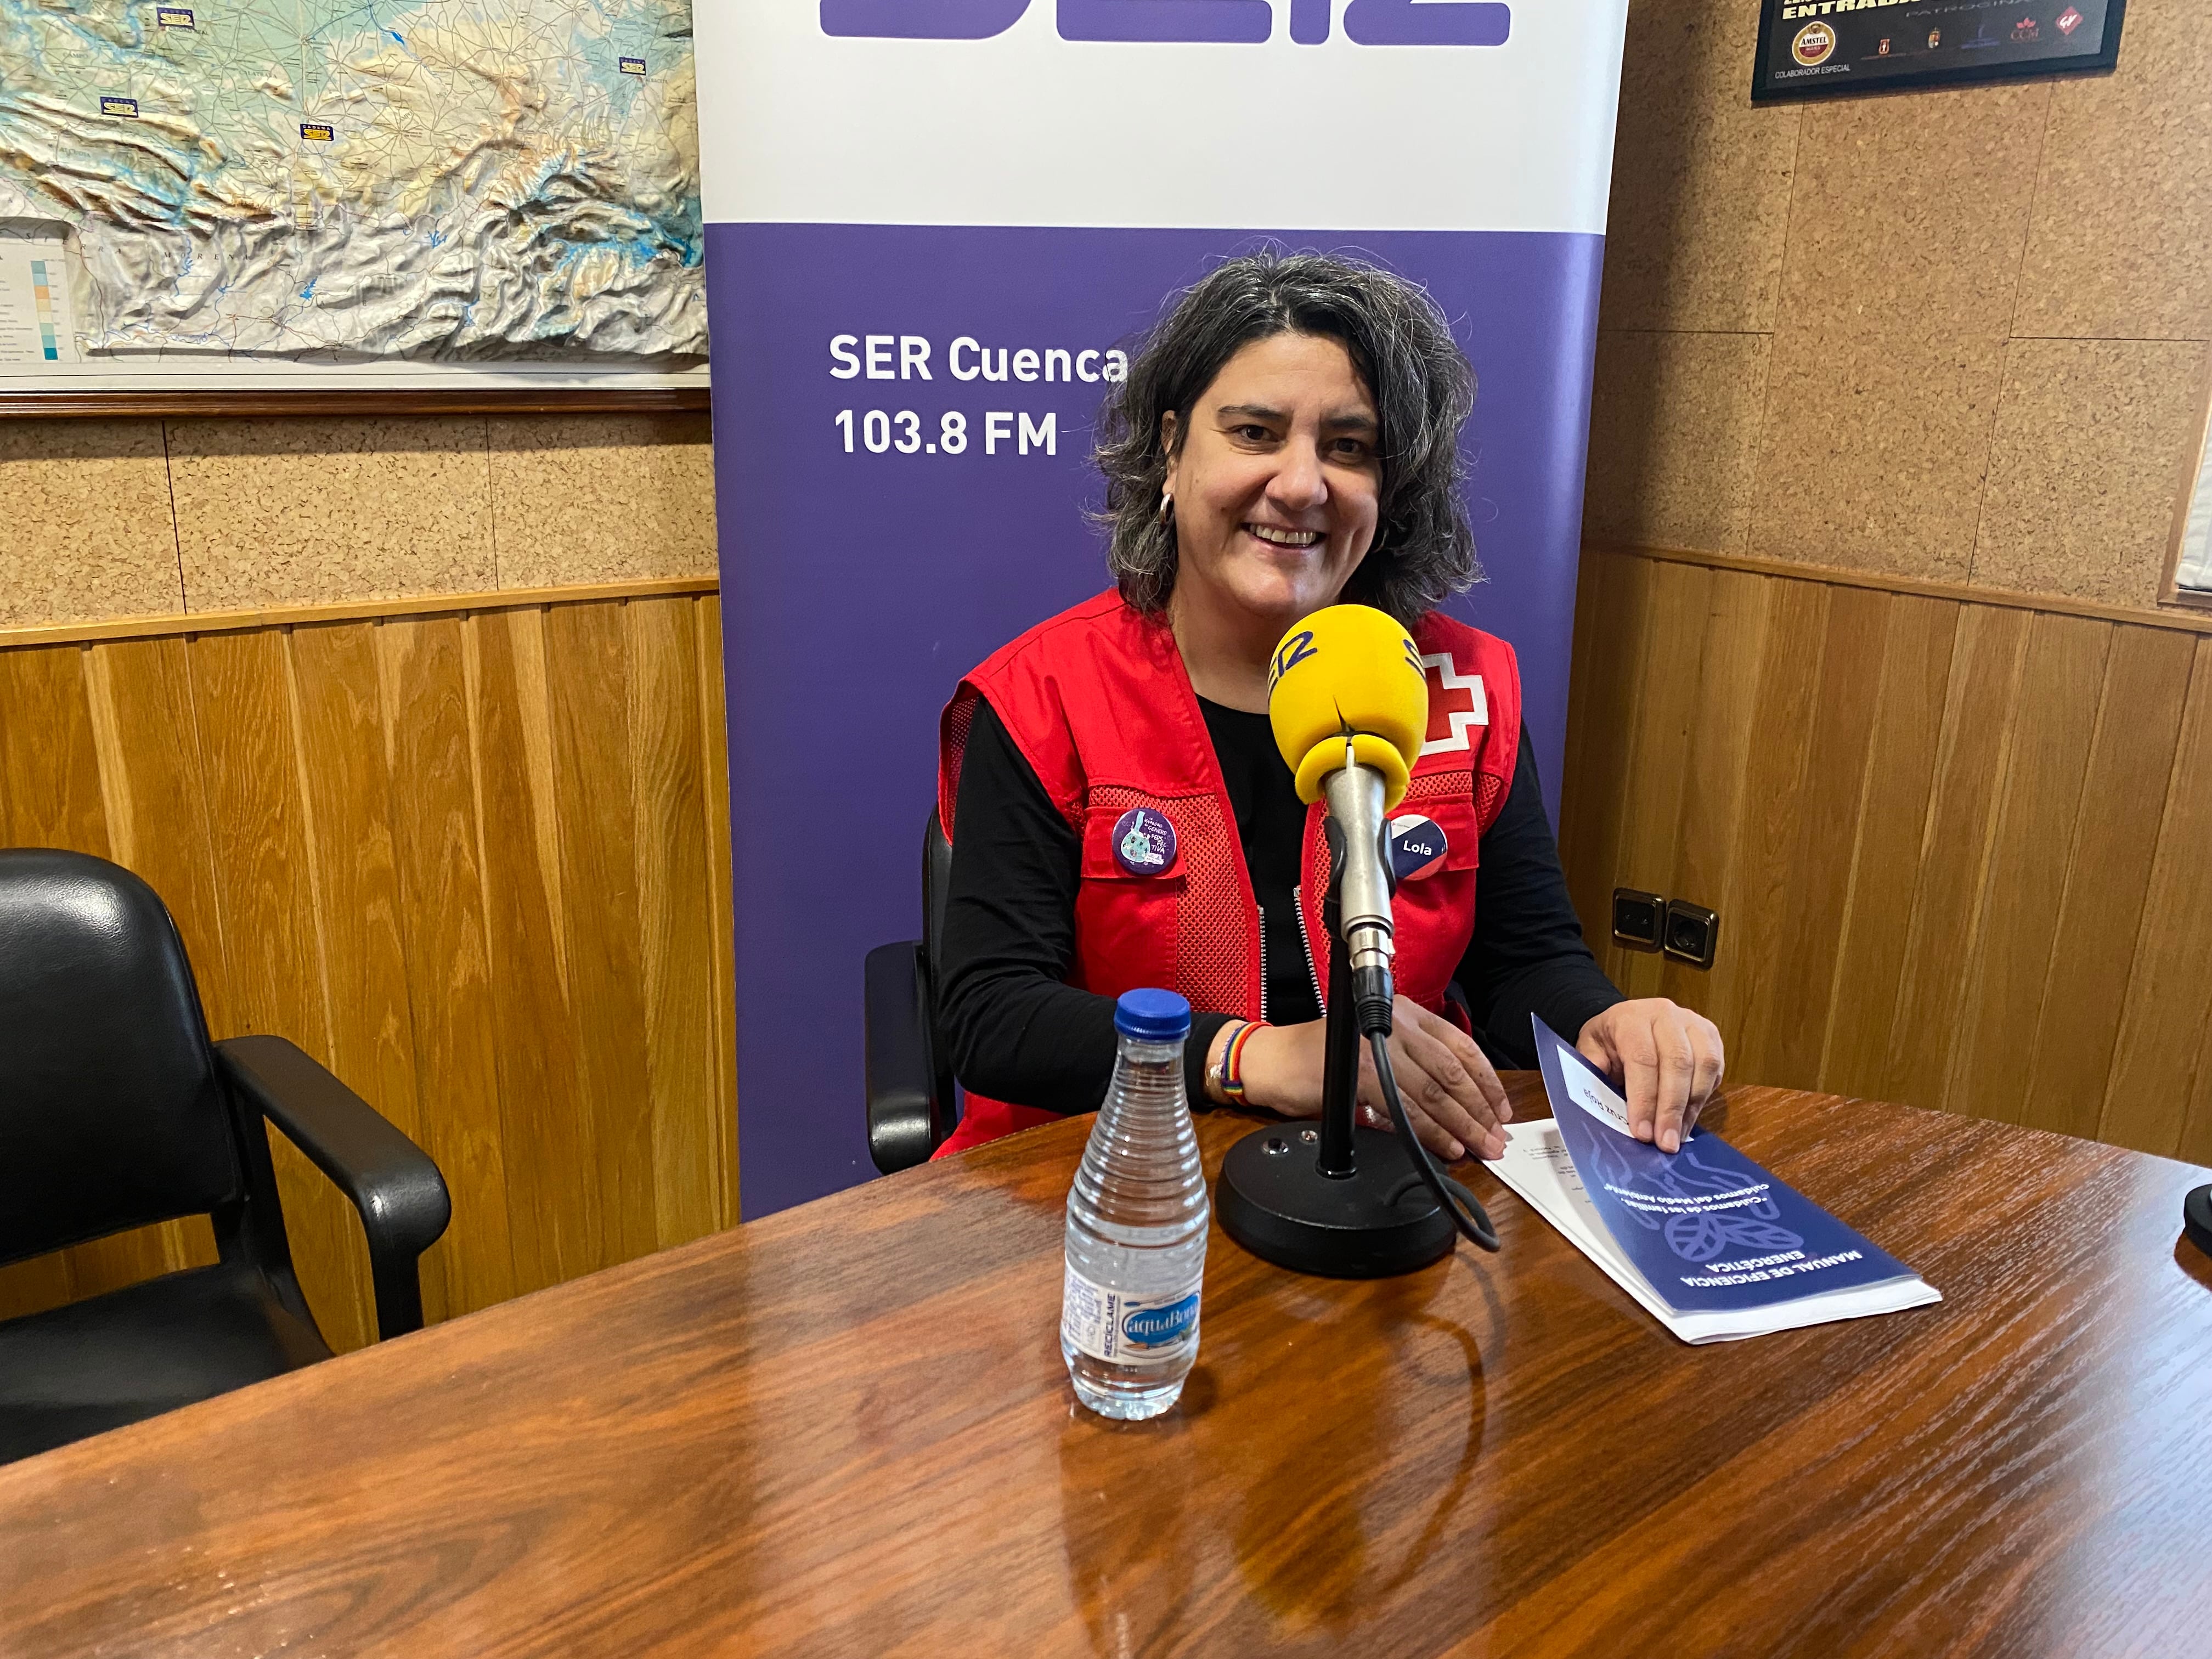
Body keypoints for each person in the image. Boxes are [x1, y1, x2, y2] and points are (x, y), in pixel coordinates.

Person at [932, 252, 1723, 1164]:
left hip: (1386, 1171)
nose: (1303, 484)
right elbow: (992, 1016)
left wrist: (1614, 1022)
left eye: (1348, 447)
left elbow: (1527, 960)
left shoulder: (1463, 687)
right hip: (1102, 1177)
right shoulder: (1043, 696)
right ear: (1171, 451)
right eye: (1257, 432)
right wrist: (1250, 1059)